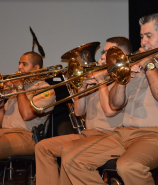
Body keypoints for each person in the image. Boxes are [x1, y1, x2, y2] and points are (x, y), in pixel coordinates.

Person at [61, 13, 158, 185]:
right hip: (123, 134)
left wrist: (149, 65)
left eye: (148, 36)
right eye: (141, 36)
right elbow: (116, 104)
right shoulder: (135, 67)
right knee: (72, 160)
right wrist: (122, 77)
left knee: (128, 165)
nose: (143, 42)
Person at [34, 37, 133, 185]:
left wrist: (100, 82)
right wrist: (81, 86)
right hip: (89, 134)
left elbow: (110, 111)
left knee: (69, 153)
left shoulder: (124, 79)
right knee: (43, 147)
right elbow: (79, 112)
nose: (102, 56)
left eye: (107, 52)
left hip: (111, 135)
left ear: (121, 55)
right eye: (103, 52)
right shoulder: (101, 77)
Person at [0, 51, 56, 185]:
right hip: (3, 134)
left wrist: (18, 87)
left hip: (26, 137)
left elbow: (27, 115)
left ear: (36, 68)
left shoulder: (45, 89)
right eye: (19, 63)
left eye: (24, 64)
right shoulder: (13, 90)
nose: (19, 67)